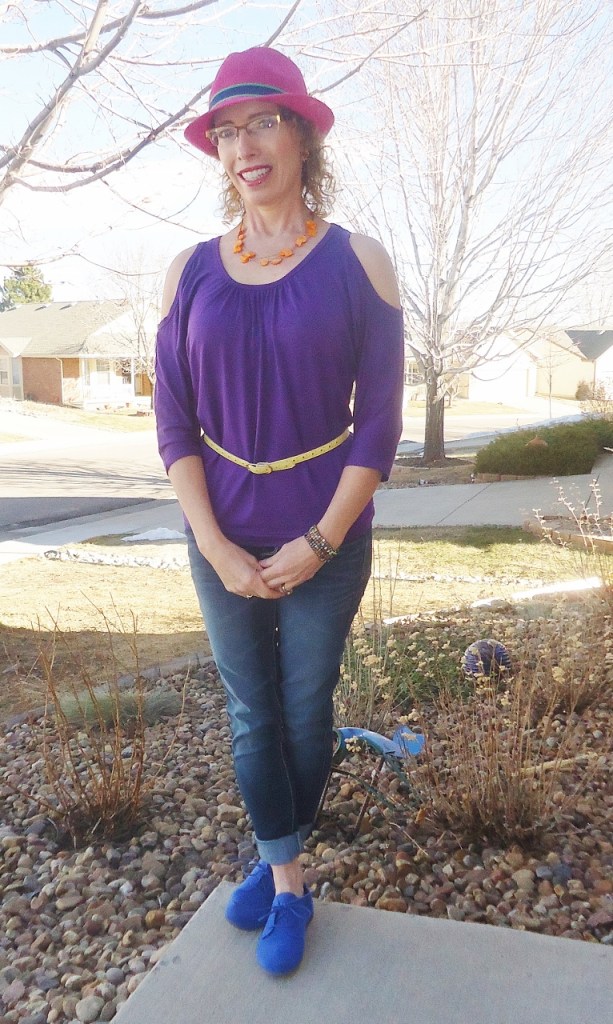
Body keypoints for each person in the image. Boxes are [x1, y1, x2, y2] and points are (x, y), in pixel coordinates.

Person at [154, 46, 404, 976]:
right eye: (226, 132)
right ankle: (289, 878)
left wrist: (319, 540)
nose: (243, 147)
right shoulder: (187, 272)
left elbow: (380, 424)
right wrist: (214, 544)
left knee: (303, 709)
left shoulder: (358, 261)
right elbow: (172, 422)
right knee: (251, 714)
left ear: (301, 135)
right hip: (219, 533)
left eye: (262, 122)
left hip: (325, 534)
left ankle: (274, 858)